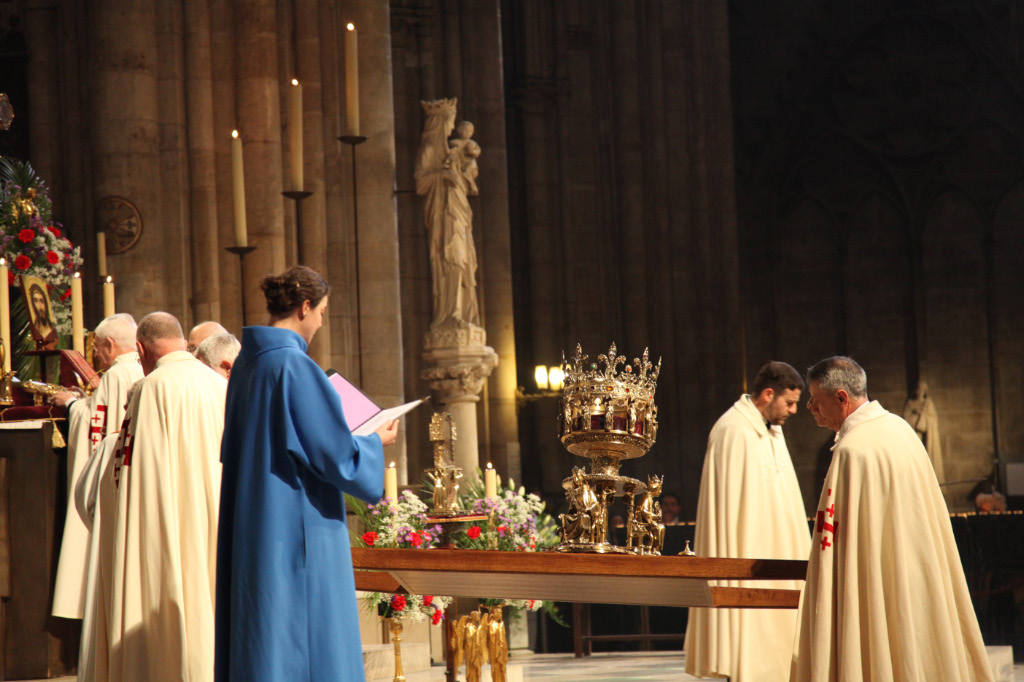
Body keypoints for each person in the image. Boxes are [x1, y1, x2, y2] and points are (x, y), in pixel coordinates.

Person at [214, 266, 398, 682]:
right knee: (305, 632)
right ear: (304, 307)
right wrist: (374, 442)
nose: (319, 323)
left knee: (264, 627)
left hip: (255, 521)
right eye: (321, 313)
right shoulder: (293, 366)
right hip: (297, 525)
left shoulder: (247, 365)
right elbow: (334, 455)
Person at [794, 356, 992, 682]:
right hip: (915, 571)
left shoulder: (853, 451)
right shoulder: (899, 428)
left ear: (842, 398)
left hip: (878, 576)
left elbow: (832, 534)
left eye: (816, 399)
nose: (810, 407)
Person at [107, 312, 228, 682]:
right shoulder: (220, 384)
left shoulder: (149, 388)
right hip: (213, 511)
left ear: (140, 350)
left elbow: (131, 470)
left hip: (168, 518)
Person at [684, 361, 810, 682]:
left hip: (778, 554)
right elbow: (728, 514)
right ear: (768, 394)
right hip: (748, 556)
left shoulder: (772, 431)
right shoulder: (733, 431)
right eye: (790, 402)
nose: (795, 410)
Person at [51, 313, 144, 621]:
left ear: (110, 344)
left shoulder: (116, 375)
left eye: (98, 349)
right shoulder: (141, 370)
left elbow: (97, 429)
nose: (96, 356)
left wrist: (71, 404)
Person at [27, 280, 58, 348]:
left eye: (41, 301)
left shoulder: (51, 329)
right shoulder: (35, 329)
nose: (40, 306)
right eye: (36, 301)